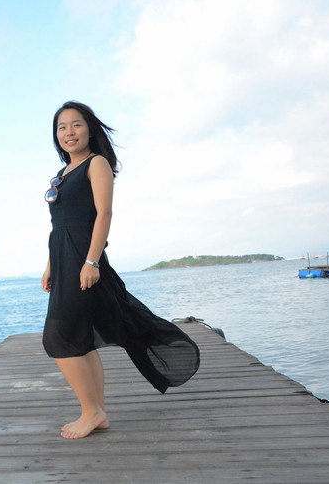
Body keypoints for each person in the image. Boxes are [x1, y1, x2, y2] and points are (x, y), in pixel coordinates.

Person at [41, 101, 200, 440]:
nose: (69, 132)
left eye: (76, 124)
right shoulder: (62, 174)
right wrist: (50, 265)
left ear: (90, 129)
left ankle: (91, 411)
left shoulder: (96, 164)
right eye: (62, 127)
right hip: (64, 261)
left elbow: (104, 214)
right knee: (81, 342)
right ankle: (98, 412)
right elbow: (59, 225)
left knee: (57, 338)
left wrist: (91, 262)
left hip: (84, 260)